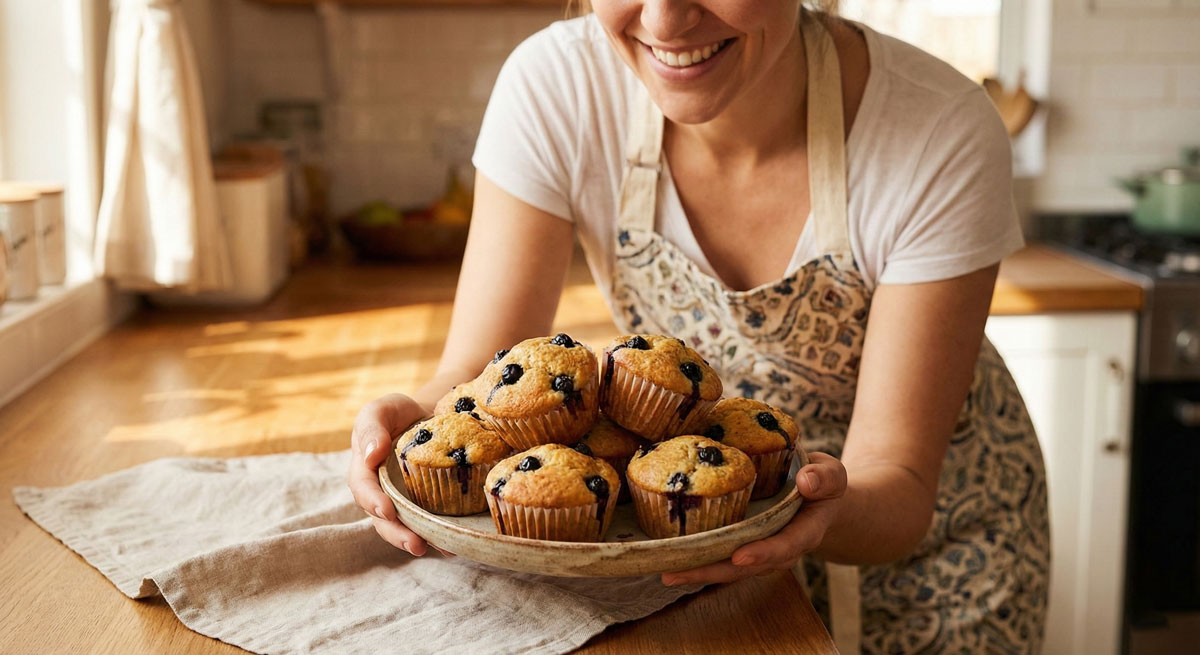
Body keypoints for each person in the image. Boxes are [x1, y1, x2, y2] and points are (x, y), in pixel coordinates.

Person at [348, 1, 1049, 652]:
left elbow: (898, 476)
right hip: (703, 567)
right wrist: (417, 419)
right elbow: (482, 375)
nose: (665, 20)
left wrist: (801, 508)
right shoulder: (558, 87)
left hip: (935, 560)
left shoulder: (937, 128)